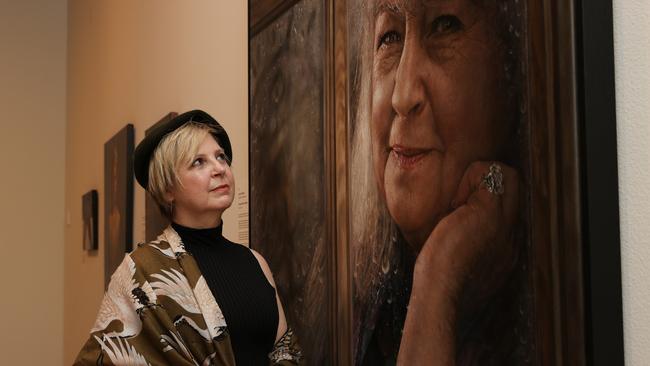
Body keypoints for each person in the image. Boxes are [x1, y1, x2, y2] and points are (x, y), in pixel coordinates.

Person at [349, 0, 528, 364]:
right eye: (390, 37)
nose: (402, 96)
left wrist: (438, 276)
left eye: (445, 26)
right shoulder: (358, 315)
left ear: (509, 74)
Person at [75, 110, 302, 365]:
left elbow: (284, 350)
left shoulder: (255, 262)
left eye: (221, 157)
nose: (219, 169)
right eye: (199, 162)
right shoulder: (140, 271)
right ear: (168, 188)